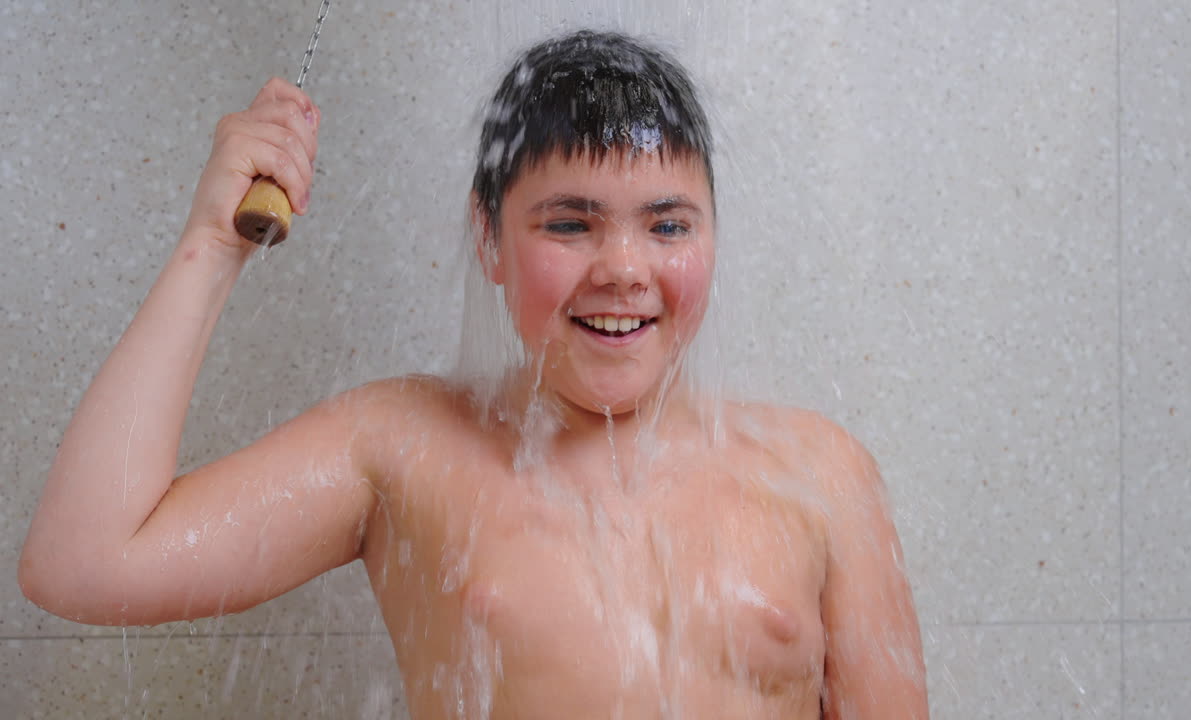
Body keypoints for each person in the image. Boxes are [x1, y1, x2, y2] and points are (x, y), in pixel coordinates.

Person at [19, 29, 927, 719]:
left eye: (668, 225)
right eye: (569, 224)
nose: (623, 267)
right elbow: (85, 563)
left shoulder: (820, 472)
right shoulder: (403, 447)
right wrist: (213, 245)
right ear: (489, 238)